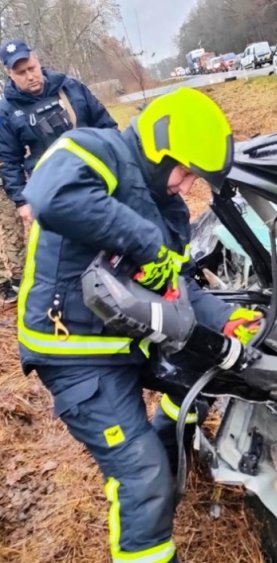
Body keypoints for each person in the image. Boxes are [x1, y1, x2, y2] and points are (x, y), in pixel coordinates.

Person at [18, 87, 261, 563]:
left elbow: (174, 283)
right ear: (158, 148)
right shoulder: (96, 150)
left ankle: (170, 464)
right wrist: (145, 240)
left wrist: (224, 317)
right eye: (185, 170)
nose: (187, 186)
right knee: (139, 476)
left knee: (200, 380)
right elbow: (49, 196)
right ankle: (153, 496)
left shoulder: (167, 209)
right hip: (74, 355)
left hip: (127, 340)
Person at [0, 39, 117, 303]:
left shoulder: (71, 87)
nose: (30, 76)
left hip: (95, 178)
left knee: (111, 236)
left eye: (31, 67)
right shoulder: (7, 111)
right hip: (51, 192)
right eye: (21, 73)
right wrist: (21, 201)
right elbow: (9, 161)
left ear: (38, 60)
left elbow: (106, 124)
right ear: (10, 74)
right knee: (68, 254)